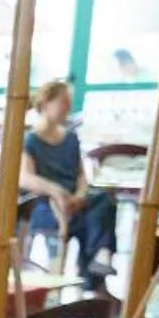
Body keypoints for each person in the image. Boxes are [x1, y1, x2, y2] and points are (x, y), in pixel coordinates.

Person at [21, 79, 116, 291]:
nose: (68, 107)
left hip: (74, 200)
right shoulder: (31, 140)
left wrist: (80, 194)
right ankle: (94, 277)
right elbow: (25, 177)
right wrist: (56, 191)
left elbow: (82, 175)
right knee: (92, 222)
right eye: (63, 102)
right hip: (47, 204)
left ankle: (99, 263)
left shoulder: (71, 138)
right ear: (46, 104)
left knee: (103, 202)